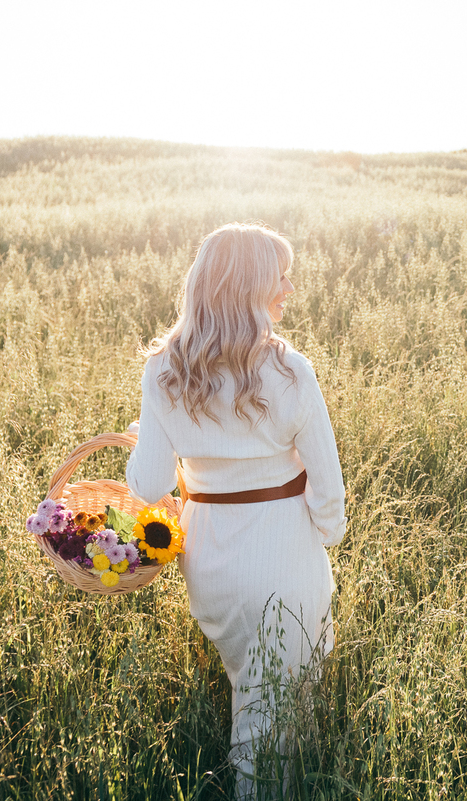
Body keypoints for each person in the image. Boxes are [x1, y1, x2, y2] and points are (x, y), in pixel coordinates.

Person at [125, 222, 346, 798]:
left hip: (211, 558)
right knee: (270, 708)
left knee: (255, 689)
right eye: (280, 278)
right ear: (248, 287)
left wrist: (144, 439)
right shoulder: (291, 370)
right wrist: (327, 533)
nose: (289, 289)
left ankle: (284, 782)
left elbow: (149, 484)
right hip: (284, 550)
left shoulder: (164, 369)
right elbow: (328, 485)